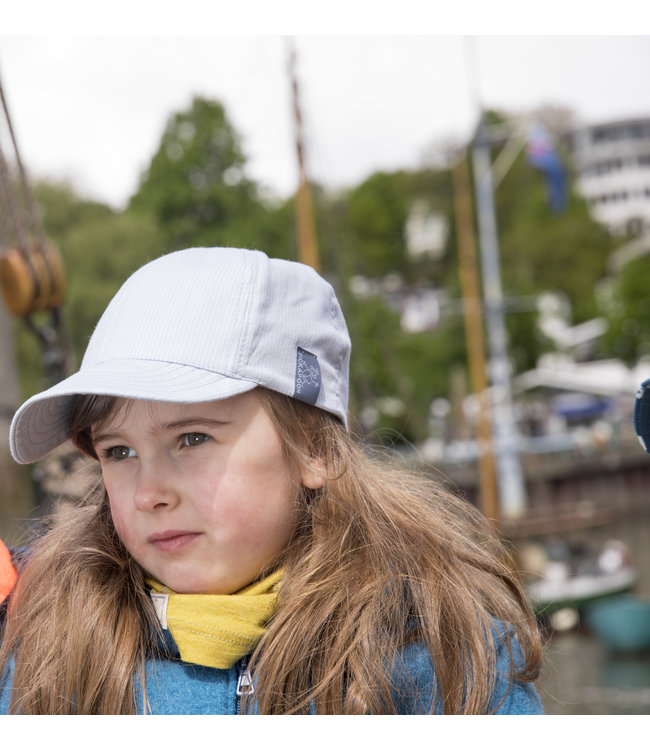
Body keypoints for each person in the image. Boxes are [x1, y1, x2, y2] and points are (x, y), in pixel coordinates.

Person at [0, 246, 543, 715]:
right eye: (118, 451)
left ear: (314, 447)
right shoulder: (50, 652)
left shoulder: (445, 654)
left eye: (192, 438)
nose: (148, 494)